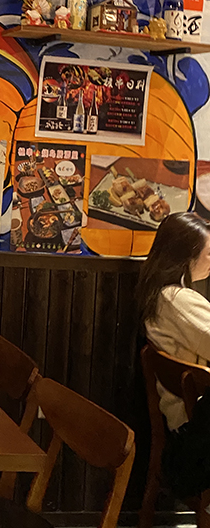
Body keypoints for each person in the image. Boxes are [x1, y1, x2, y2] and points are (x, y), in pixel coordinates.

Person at [136, 211, 210, 497]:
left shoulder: (160, 294)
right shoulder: (176, 299)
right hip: (194, 427)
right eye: (208, 253)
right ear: (186, 256)